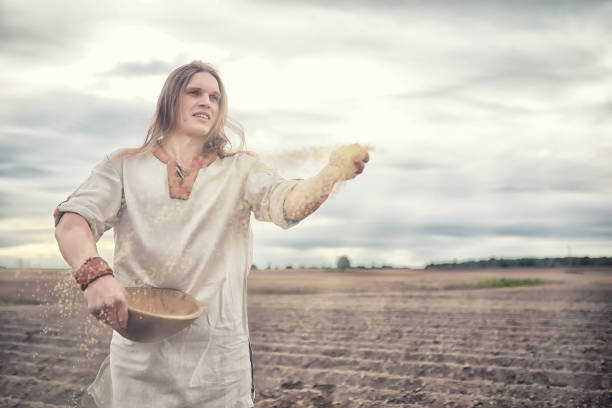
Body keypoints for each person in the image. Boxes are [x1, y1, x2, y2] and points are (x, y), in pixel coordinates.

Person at [53, 60, 369, 408]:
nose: (207, 102)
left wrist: (330, 174)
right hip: (139, 365)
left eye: (215, 98)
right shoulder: (124, 166)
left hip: (219, 366)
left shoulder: (241, 169)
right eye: (195, 93)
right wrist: (94, 275)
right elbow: (73, 220)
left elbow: (288, 204)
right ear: (170, 100)